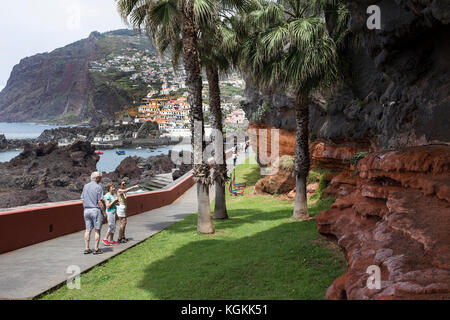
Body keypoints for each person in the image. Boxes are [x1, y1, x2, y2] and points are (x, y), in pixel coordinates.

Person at [81, 171, 107, 255]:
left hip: (86, 210)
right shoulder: (98, 187)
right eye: (100, 177)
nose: (101, 178)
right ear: (96, 178)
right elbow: (99, 201)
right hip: (95, 210)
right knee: (97, 230)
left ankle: (87, 248)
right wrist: (104, 212)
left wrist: (85, 208)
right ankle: (96, 249)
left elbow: (83, 200)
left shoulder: (85, 186)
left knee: (88, 230)